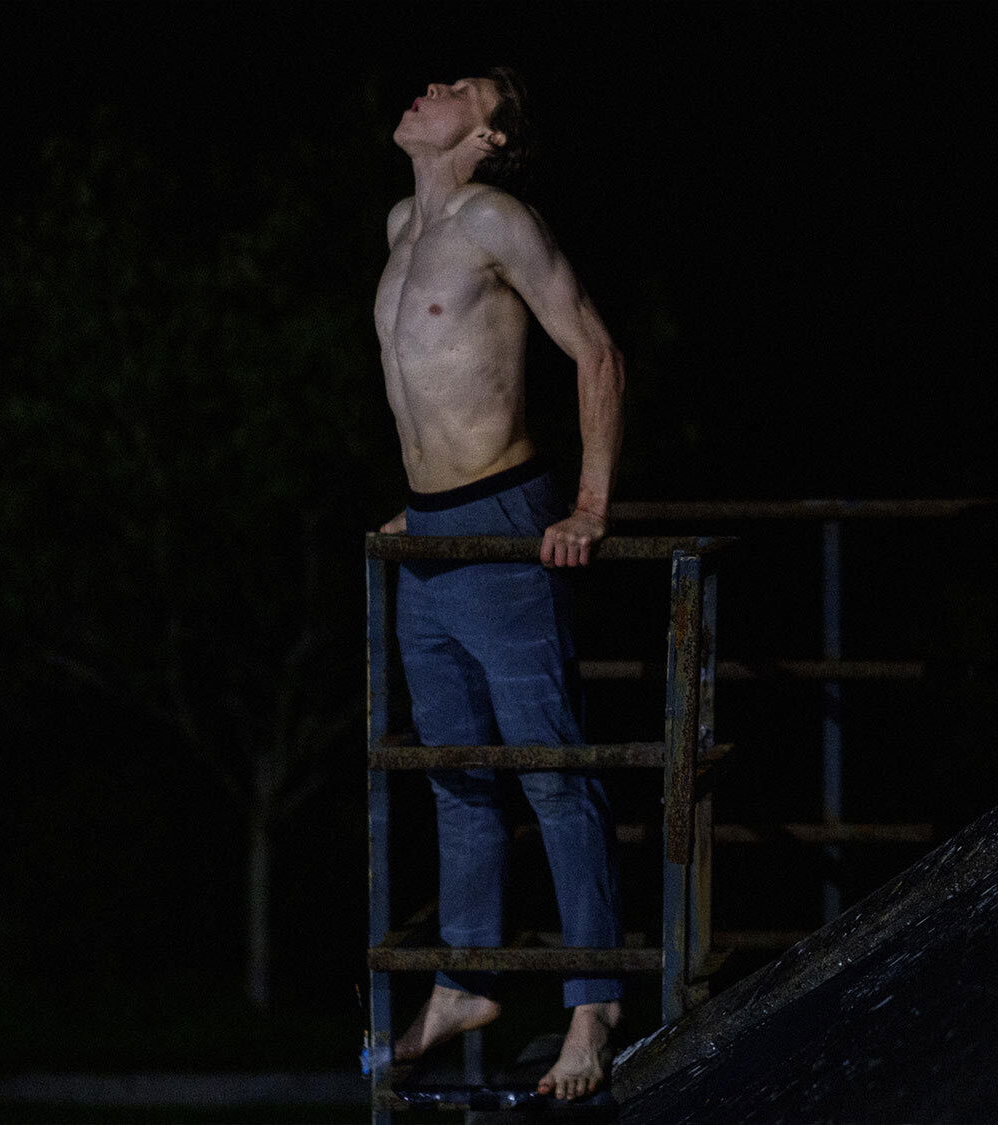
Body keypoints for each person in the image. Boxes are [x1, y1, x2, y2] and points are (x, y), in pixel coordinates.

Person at [373, 67, 626, 1103]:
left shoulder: (496, 218)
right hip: (430, 534)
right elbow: (432, 377)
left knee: (550, 769)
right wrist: (420, 508)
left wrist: (589, 506)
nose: (429, 87)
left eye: (459, 89)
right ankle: (464, 979)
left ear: (487, 135)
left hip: (505, 520)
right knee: (455, 770)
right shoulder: (402, 224)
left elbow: (596, 351)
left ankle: (593, 1006)